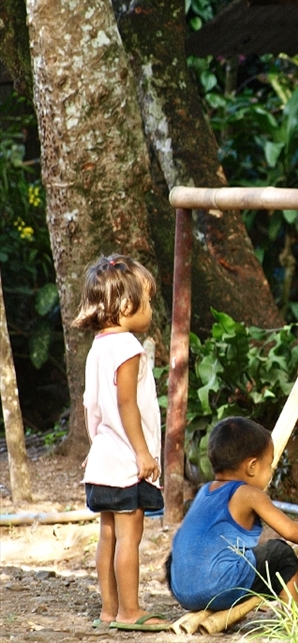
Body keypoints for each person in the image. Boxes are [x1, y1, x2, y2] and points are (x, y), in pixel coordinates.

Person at [73, 254, 170, 632]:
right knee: (130, 535)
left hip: (104, 460)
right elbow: (127, 403)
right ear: (126, 306)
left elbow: (90, 404)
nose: (149, 310)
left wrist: (95, 445)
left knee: (108, 534)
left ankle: (109, 610)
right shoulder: (129, 347)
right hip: (128, 462)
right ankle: (131, 611)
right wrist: (143, 451)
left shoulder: (98, 347)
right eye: (146, 302)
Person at [166, 417, 298, 611]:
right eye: (269, 465)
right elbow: (290, 531)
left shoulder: (204, 491)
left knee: (187, 556)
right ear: (252, 466)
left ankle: (223, 609)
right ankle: (295, 613)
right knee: (280, 553)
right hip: (218, 587)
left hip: (182, 590)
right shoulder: (249, 494)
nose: (270, 471)